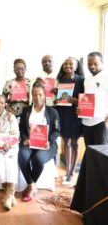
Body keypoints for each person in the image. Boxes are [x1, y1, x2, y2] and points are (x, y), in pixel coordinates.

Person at [18, 83, 60, 202]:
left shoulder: (52, 112)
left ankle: (31, 186)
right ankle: (31, 185)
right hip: (29, 142)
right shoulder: (26, 110)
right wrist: (25, 138)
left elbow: (57, 131)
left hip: (47, 144)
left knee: (38, 159)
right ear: (32, 96)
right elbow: (21, 128)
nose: (38, 97)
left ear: (45, 95)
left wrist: (49, 141)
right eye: (35, 94)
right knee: (21, 155)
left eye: (40, 94)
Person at [55, 57, 84, 185]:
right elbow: (58, 98)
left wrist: (75, 100)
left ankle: (72, 172)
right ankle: (67, 170)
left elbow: (86, 100)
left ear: (76, 66)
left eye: (71, 64)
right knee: (66, 141)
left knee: (75, 143)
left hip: (76, 114)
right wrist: (56, 98)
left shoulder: (82, 81)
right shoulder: (60, 80)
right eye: (65, 63)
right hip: (63, 113)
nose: (67, 66)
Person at [79, 52, 108, 146]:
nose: (92, 66)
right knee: (90, 151)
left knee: (101, 153)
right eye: (89, 64)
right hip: (86, 122)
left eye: (95, 63)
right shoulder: (87, 80)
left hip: (101, 122)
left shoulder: (106, 78)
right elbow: (86, 100)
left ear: (102, 62)